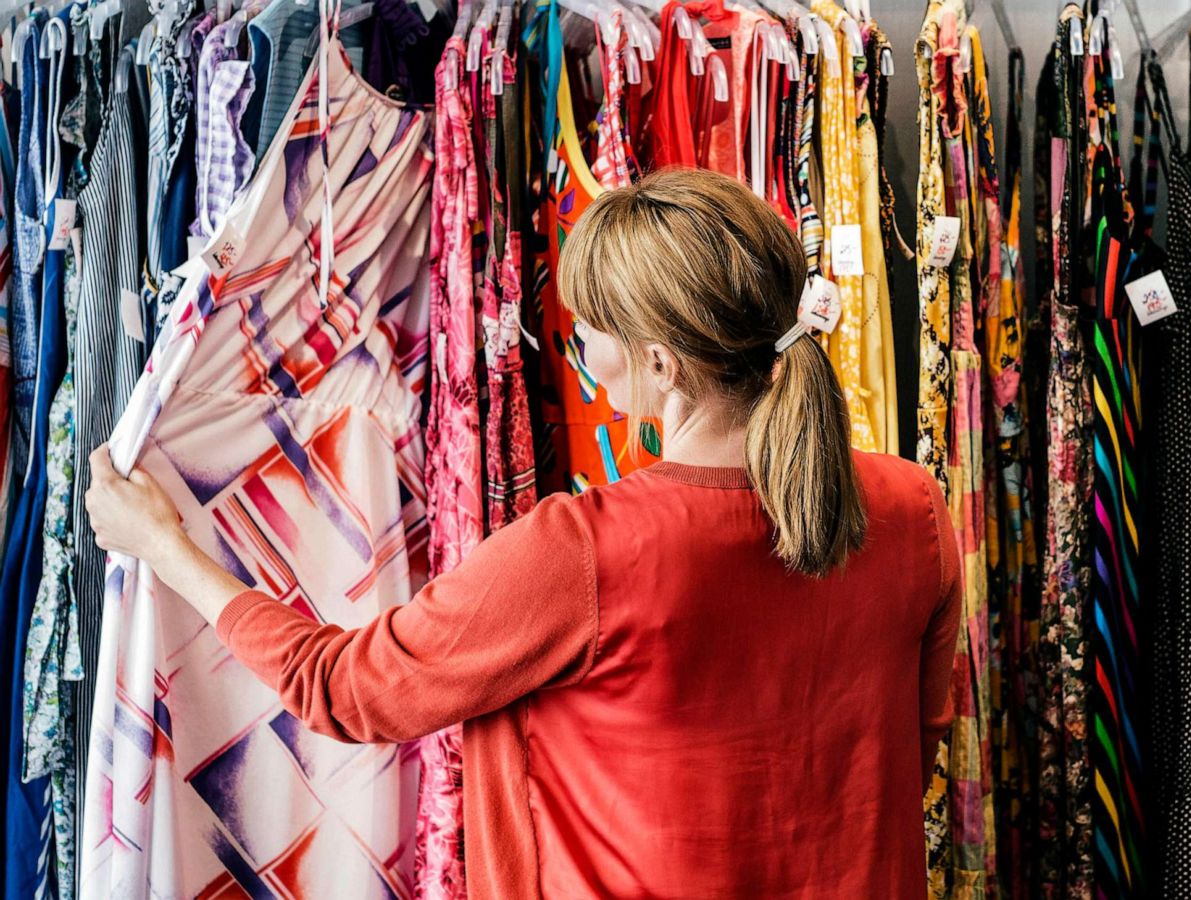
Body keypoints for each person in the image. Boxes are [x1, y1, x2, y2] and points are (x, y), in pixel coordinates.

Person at [86, 168, 960, 898]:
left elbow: (348, 689)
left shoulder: (587, 552)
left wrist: (169, 549)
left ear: (661, 362)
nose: (583, 354)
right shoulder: (911, 508)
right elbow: (903, 760)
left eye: (589, 333)